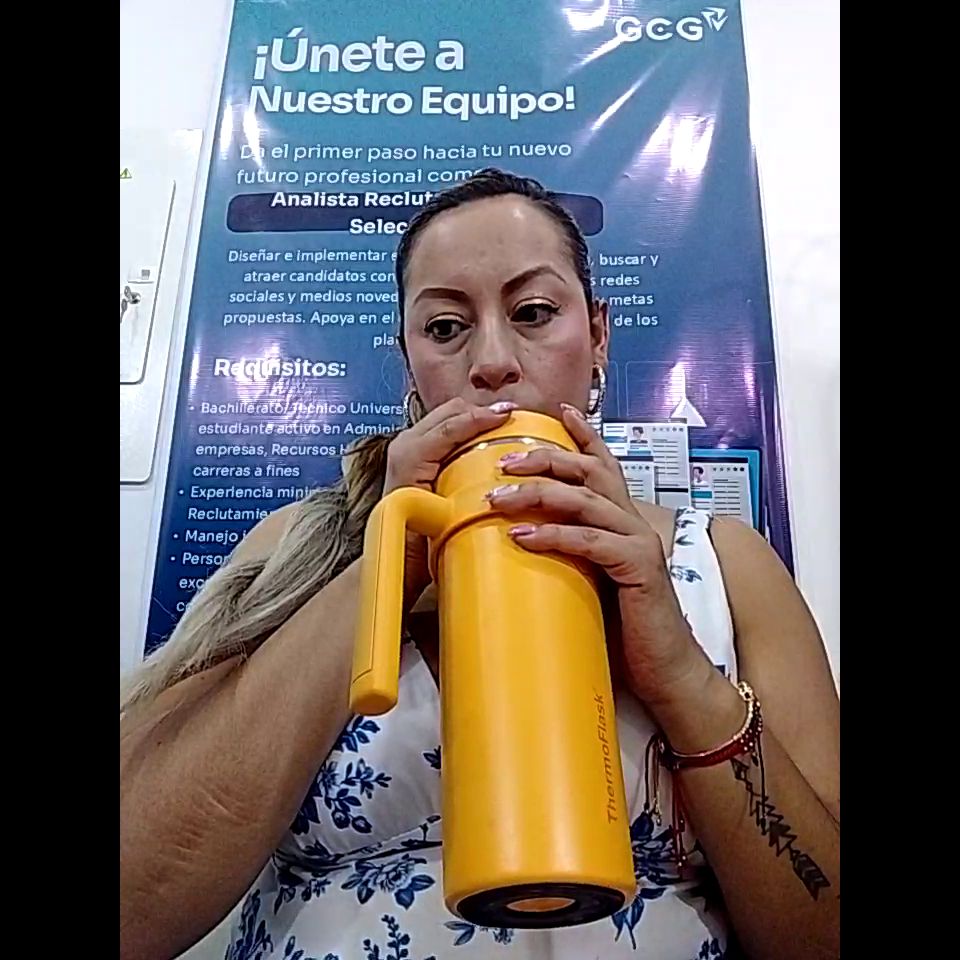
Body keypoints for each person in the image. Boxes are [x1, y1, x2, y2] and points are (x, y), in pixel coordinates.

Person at [120, 169, 840, 960]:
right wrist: (385, 569)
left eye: (533, 313)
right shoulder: (296, 547)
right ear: (408, 361)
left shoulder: (722, 566)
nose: (492, 361)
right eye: (445, 327)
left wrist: (681, 677)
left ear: (598, 336)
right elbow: (135, 908)